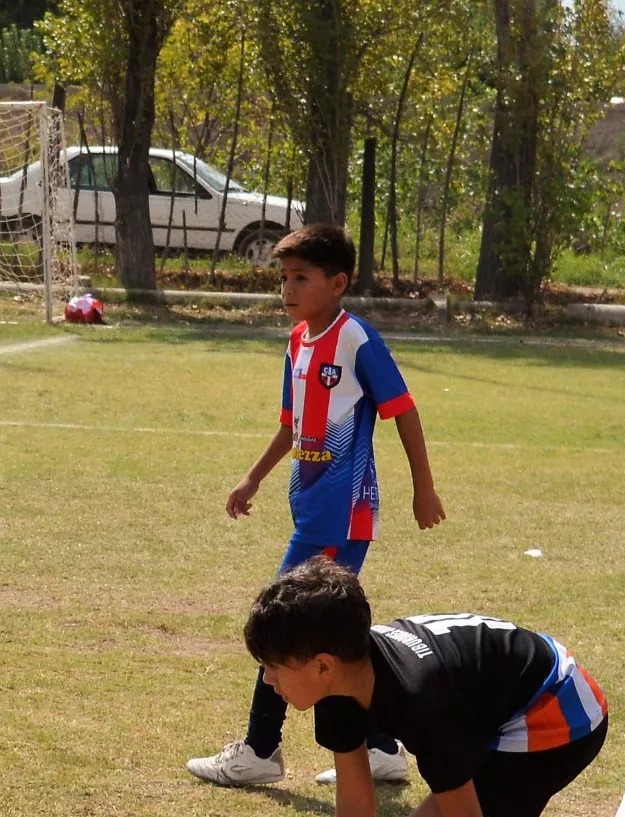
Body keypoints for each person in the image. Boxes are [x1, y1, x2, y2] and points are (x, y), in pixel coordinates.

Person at [187, 224, 447, 786]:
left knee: (286, 623)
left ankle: (260, 751)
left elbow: (403, 410)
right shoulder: (297, 341)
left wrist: (422, 487)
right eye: (283, 277)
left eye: (301, 278)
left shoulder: (356, 339)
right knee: (328, 633)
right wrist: (253, 478)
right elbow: (292, 424)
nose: (288, 288)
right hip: (310, 508)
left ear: (337, 282)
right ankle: (382, 748)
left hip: (341, 511)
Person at [244, 557, 608, 817]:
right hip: (499, 699)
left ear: (323, 665)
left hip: (558, 707)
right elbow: (356, 805)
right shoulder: (338, 681)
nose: (268, 678)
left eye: (274, 666)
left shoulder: (421, 702)